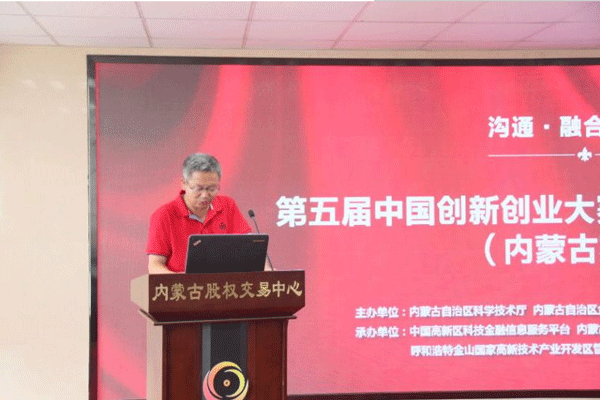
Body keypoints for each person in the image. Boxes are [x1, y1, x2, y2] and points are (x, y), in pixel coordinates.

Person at [146, 153, 252, 274]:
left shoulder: (227, 206)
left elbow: (250, 250)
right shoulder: (164, 215)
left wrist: (266, 272)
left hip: (225, 283)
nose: (205, 195)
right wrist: (182, 280)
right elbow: (155, 266)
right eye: (199, 189)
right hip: (184, 284)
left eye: (212, 189)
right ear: (184, 184)